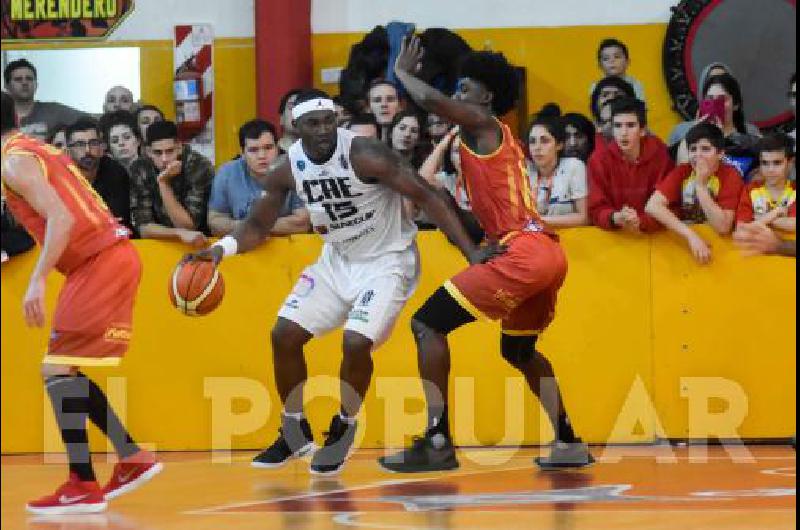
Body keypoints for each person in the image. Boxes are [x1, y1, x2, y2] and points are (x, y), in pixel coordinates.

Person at [185, 89, 482, 476]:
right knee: (283, 335)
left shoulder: (365, 153)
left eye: (329, 121)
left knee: (356, 342)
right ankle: (295, 429)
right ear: (297, 128)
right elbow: (258, 224)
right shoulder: (288, 168)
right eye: (313, 124)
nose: (324, 130)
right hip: (336, 260)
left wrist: (471, 253)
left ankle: (344, 426)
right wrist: (220, 250)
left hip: (387, 261)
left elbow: (427, 195)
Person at [379, 36, 594, 473]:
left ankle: (437, 441)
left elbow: (431, 101)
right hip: (544, 252)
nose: (458, 94)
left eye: (466, 88)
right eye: (458, 88)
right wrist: (444, 202)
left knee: (426, 324)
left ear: (487, 97)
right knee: (518, 352)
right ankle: (569, 441)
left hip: (525, 252)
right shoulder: (484, 147)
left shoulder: (485, 124)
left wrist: (400, 74)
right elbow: (483, 223)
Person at [0, 91, 161, 515]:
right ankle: (127, 459)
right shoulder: (34, 148)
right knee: (61, 368)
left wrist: (35, 281)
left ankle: (85, 482)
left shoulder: (13, 161)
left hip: (99, 261)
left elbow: (62, 218)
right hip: (104, 259)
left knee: (55, 368)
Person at [645, 122, 743, 264]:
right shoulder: (683, 171)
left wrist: (700, 185)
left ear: (720, 153)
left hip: (722, 252)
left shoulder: (730, 175)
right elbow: (652, 206)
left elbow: (723, 226)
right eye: (693, 149)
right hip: (687, 247)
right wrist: (691, 236)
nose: (698, 155)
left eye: (705, 149)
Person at [208, 119, 309, 237]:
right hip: (242, 251)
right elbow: (215, 224)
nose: (262, 156)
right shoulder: (227, 173)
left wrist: (249, 227)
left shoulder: (294, 170)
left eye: (268, 148)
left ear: (277, 147)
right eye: (253, 150)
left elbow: (303, 223)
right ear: (242, 153)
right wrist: (261, 226)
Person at [588, 97, 674, 233]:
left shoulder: (661, 157)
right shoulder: (598, 160)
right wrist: (616, 217)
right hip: (614, 239)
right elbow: (595, 209)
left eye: (630, 125)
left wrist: (641, 221)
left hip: (656, 238)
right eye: (617, 126)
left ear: (643, 130)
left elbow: (673, 205)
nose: (623, 133)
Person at [129, 120, 211, 244]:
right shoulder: (139, 168)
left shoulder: (198, 165)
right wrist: (178, 233)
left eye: (169, 151)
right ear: (148, 151)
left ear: (179, 147)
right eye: (158, 152)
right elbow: (144, 227)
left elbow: (189, 227)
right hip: (158, 242)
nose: (164, 159)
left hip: (200, 241)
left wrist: (163, 183)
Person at [65, 118, 134, 234]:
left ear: (102, 148)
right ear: (67, 152)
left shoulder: (116, 172)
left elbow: (118, 222)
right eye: (80, 144)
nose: (87, 150)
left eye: (93, 143)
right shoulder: (59, 176)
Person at [527, 115, 589, 228]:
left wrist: (540, 221)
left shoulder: (574, 166)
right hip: (533, 240)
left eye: (544, 141)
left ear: (559, 145)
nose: (537, 147)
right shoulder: (524, 170)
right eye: (532, 141)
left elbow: (584, 218)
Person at [4, 59, 85, 141]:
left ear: (36, 84)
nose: (25, 82)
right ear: (7, 86)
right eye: (18, 79)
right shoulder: (3, 116)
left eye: (29, 79)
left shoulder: (54, 111)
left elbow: (89, 120)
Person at [736, 134, 796, 233]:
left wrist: (758, 218)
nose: (770, 170)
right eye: (765, 163)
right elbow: (741, 230)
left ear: (790, 163)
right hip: (756, 248)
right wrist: (775, 213)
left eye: (777, 163)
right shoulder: (750, 190)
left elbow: (793, 224)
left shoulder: (794, 190)